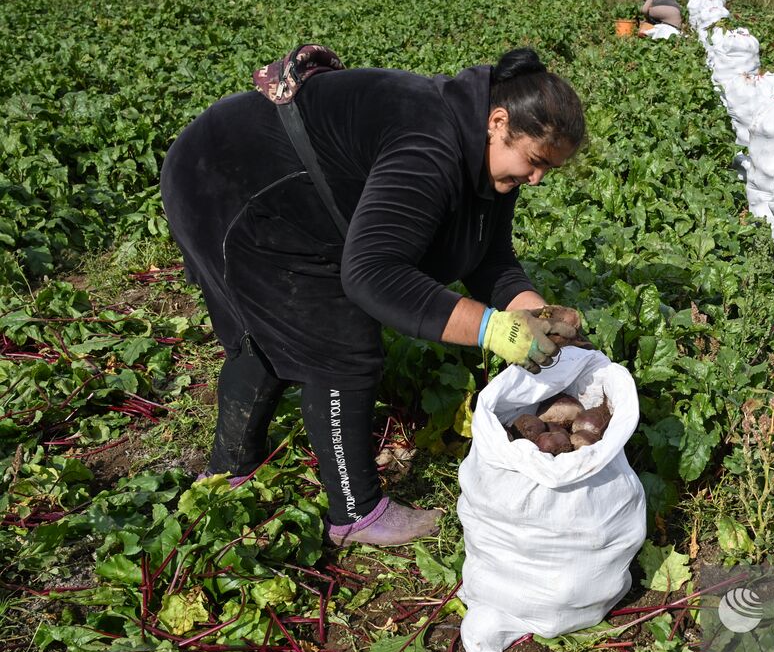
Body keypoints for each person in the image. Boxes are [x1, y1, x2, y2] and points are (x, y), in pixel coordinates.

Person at [160, 47, 586, 548]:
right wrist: (491, 328)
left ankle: (228, 473)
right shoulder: (430, 146)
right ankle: (355, 513)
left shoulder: (491, 159)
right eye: (535, 162)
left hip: (273, 184)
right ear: (498, 121)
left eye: (546, 171)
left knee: (277, 331)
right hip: (231, 182)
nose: (535, 179)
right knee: (341, 344)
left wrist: (533, 313)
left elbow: (489, 258)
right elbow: (373, 276)